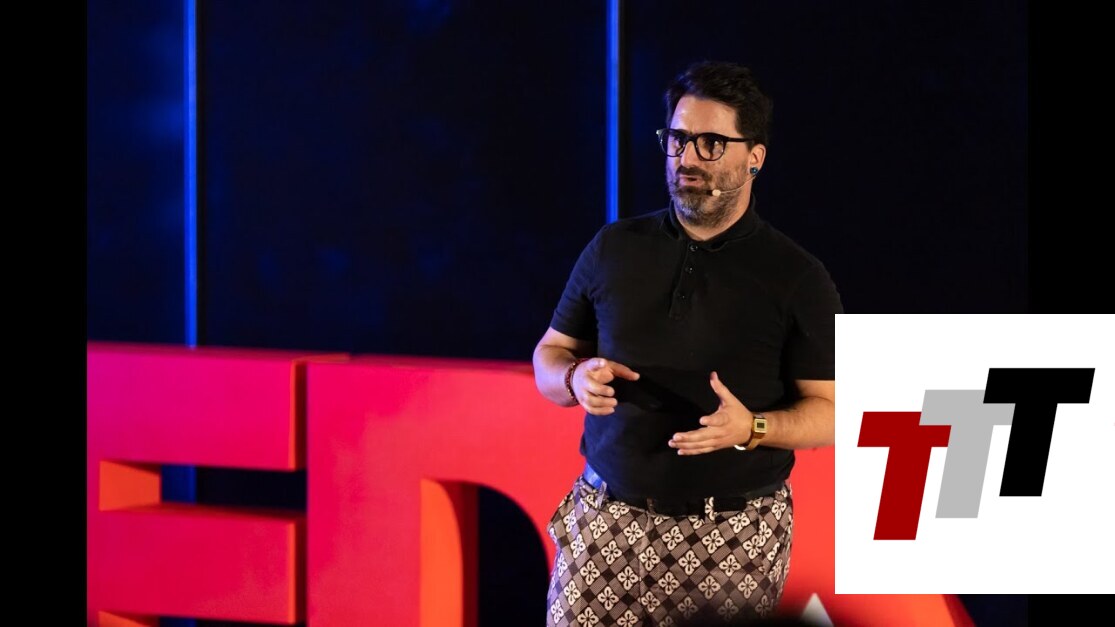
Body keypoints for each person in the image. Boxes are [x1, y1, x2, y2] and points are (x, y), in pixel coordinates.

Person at [532, 60, 842, 626]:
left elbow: (834, 412)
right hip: (605, 521)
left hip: (732, 536)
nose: (688, 158)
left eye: (710, 143)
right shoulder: (614, 247)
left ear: (755, 157)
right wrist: (573, 378)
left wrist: (752, 428)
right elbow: (549, 354)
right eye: (678, 140)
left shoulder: (796, 276)